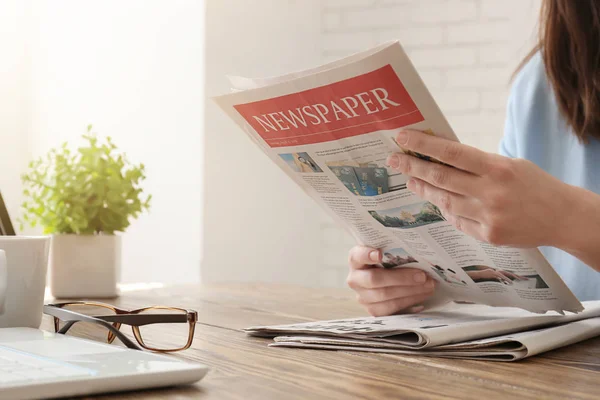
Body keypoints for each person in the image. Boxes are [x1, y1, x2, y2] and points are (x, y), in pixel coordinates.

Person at [347, 0, 600, 316]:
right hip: (558, 349)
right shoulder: (541, 82)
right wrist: (420, 283)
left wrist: (569, 218)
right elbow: (513, 269)